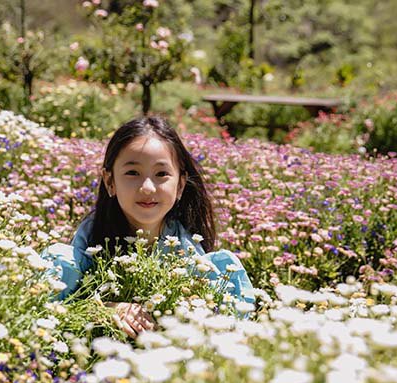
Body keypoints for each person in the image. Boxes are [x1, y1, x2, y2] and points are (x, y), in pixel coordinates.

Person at [43, 116, 256, 338]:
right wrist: (103, 308)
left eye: (161, 174)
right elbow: (51, 311)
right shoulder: (76, 258)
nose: (147, 187)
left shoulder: (202, 267)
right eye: (132, 173)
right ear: (110, 182)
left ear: (180, 184)